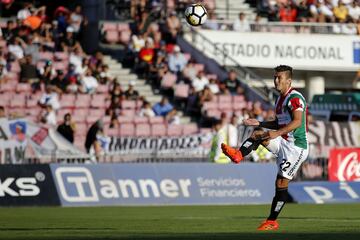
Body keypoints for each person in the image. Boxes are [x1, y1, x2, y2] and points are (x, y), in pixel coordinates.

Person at [221, 65, 309, 231]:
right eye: (275, 77)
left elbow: (297, 121)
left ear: (288, 81)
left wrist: (277, 133)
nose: (276, 81)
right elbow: (279, 122)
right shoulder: (279, 99)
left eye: (279, 78)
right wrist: (260, 123)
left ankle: (271, 221)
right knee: (258, 134)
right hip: (283, 140)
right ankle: (239, 154)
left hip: (296, 147)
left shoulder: (295, 98)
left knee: (281, 182)